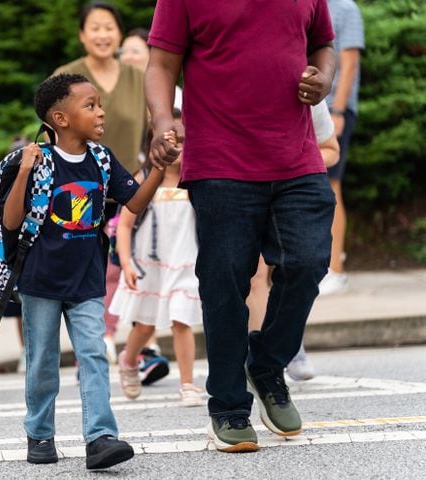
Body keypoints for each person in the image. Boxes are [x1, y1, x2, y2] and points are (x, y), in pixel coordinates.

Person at [145, 0, 337, 453]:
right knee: (224, 280)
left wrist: (324, 78)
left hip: (296, 157)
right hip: (220, 160)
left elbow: (323, 44)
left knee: (308, 261)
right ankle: (229, 406)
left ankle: (268, 363)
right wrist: (162, 121)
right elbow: (160, 62)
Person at [6, 73, 164, 470]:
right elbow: (11, 221)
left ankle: (100, 437)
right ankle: (40, 433)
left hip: (86, 281)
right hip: (40, 281)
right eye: (90, 105)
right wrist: (24, 171)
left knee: (93, 354)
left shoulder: (103, 159)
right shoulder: (41, 160)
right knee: (42, 360)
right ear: (60, 118)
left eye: (98, 104)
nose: (100, 111)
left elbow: (133, 203)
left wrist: (159, 169)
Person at [54, 1, 147, 364]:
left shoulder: (138, 77)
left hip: (129, 185)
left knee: (130, 265)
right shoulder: (67, 76)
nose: (103, 35)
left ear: (120, 34)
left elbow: (151, 131)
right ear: (82, 34)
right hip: (80, 187)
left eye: (109, 27)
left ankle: (130, 345)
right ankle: (95, 341)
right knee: (89, 269)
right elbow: (53, 132)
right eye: (94, 27)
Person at [111, 119, 203, 407]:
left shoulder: (198, 180)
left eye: (184, 142)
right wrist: (126, 263)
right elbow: (124, 225)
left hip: (185, 261)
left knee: (180, 320)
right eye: (170, 142)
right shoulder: (144, 179)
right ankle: (128, 360)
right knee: (145, 326)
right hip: (148, 266)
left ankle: (187, 384)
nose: (177, 149)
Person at [247, 100, 341, 382]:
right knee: (255, 276)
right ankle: (258, 358)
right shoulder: (232, 84)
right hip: (244, 192)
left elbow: (331, 150)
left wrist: (295, 158)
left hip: (291, 194)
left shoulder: (305, 86)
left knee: (297, 268)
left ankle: (286, 345)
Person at [319, 0, 365, 296]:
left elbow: (348, 63)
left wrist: (337, 110)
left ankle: (335, 270)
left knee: (331, 183)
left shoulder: (345, 8)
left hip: (333, 109)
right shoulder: (307, 5)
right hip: (306, 109)